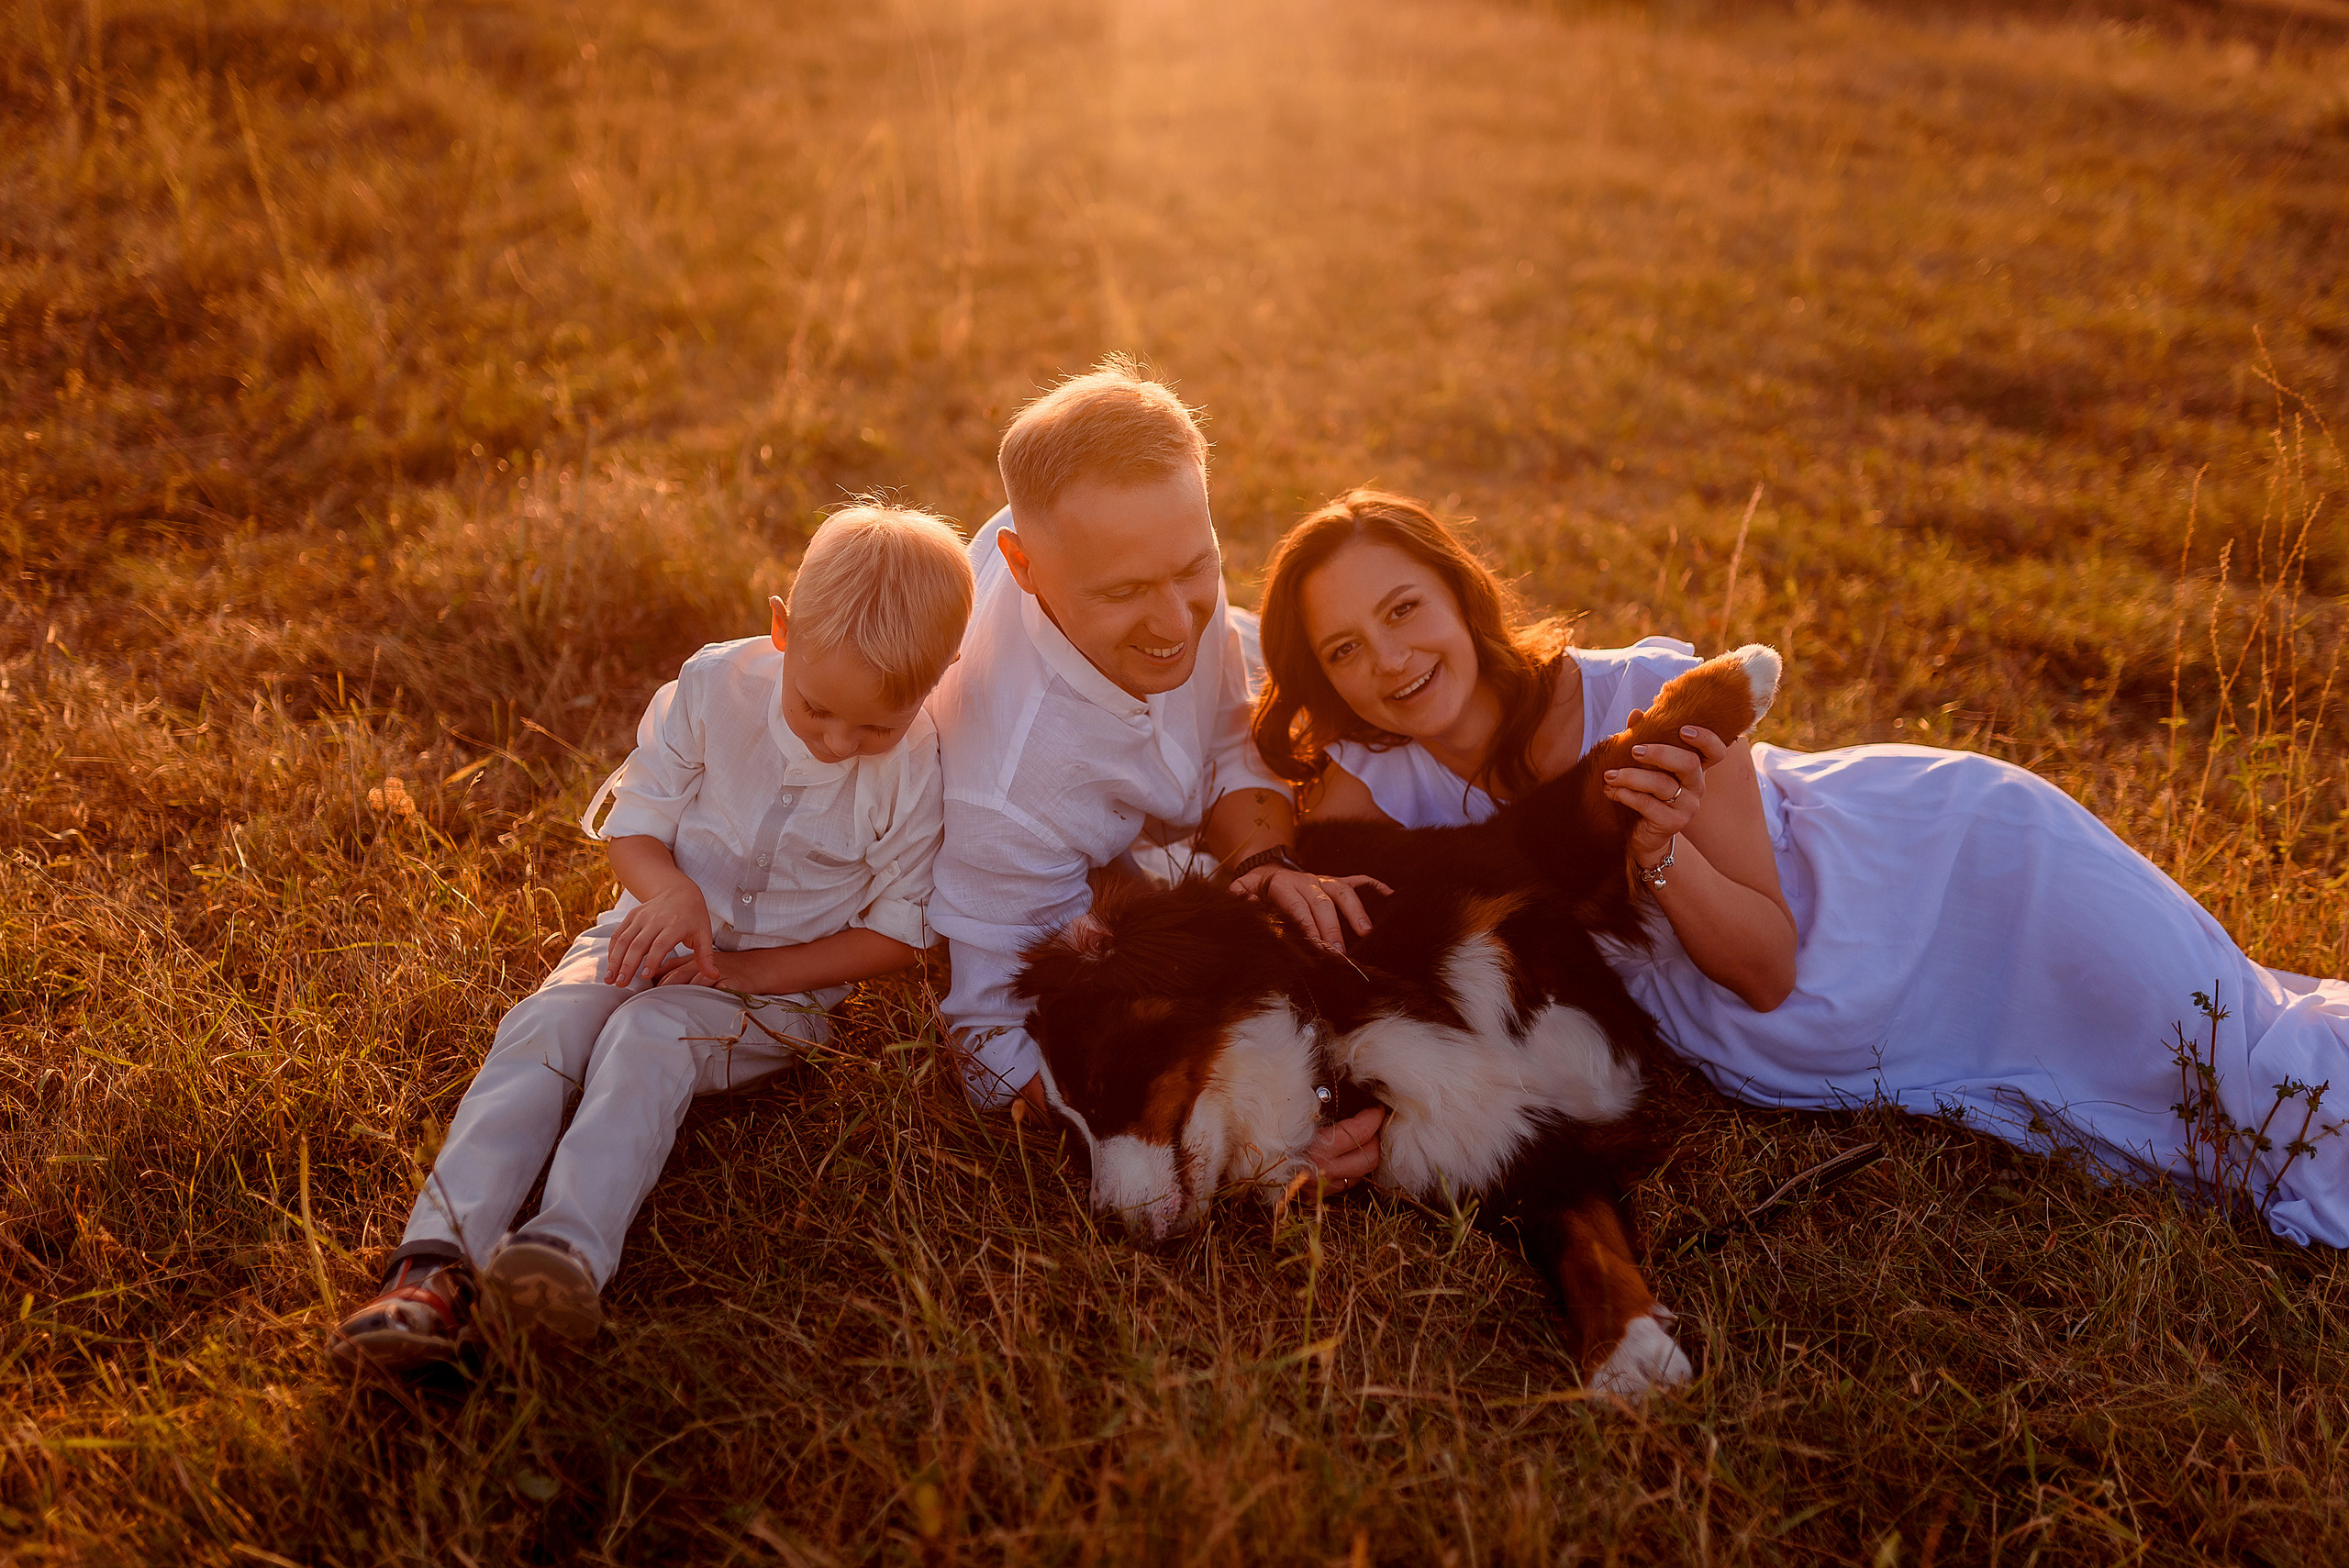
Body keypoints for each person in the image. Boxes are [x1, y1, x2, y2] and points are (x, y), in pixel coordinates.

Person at [1251, 487, 2349, 1248]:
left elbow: (1768, 970)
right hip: (1808, 1018)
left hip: (1961, 864)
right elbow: (1330, 940)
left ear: (1459, 595)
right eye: (1344, 648)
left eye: (1404, 610)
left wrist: (1659, 849)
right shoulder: (1365, 792)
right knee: (2174, 1117)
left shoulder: (1642, 695)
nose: (1389, 661)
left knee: (2242, 1061)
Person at [328, 505, 974, 1373]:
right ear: (782, 627)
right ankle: (431, 1267)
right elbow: (635, 823)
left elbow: (897, 933)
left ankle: (560, 1259)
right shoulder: (716, 686)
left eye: (874, 729)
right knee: (546, 1027)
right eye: (818, 708)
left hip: (778, 992)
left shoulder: (917, 765)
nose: (837, 742)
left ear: (938, 680)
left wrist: (746, 971)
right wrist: (671, 894)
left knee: (647, 1036)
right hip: (647, 934)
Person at [926, 357, 1386, 1188]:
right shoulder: (1008, 790)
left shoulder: (1147, 562)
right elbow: (991, 1037)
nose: (1178, 623)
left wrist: (1264, 860)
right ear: (1024, 568)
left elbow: (1227, 734)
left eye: (1194, 567)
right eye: (1129, 591)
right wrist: (1250, 1142)